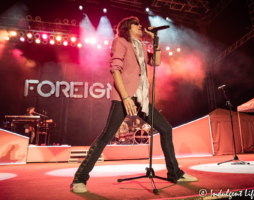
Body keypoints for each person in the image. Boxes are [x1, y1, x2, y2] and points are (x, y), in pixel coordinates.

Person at [71, 16, 197, 193]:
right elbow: (115, 69)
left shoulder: (141, 46)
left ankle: (175, 173)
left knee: (166, 128)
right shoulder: (120, 41)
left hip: (141, 99)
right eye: (137, 24)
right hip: (125, 97)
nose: (141, 26)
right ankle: (79, 178)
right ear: (128, 28)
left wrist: (155, 40)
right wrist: (125, 97)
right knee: (106, 136)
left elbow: (156, 62)